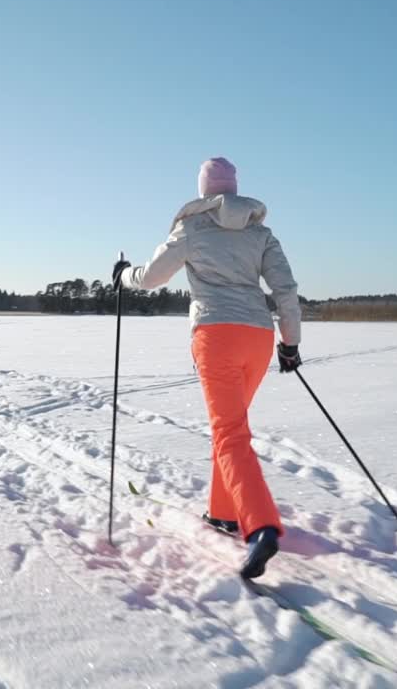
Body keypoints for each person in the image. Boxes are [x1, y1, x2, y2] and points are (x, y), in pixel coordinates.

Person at [113, 157, 302, 580]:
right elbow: (285, 290)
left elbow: (151, 279)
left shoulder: (193, 228)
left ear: (204, 191)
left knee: (230, 432)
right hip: (258, 337)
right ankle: (223, 513)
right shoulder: (261, 234)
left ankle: (261, 527)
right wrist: (290, 342)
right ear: (234, 190)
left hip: (216, 335)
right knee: (231, 426)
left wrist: (125, 276)